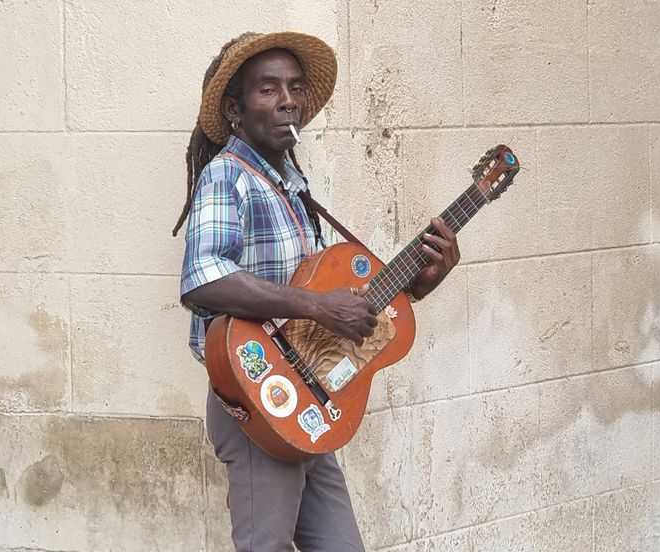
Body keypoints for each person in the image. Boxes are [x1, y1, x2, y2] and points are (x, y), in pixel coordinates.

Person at [173, 32, 460, 552]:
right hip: (257, 401)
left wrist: (416, 286)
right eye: (268, 89)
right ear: (235, 110)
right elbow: (204, 277)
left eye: (296, 88)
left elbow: (330, 303)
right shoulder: (227, 177)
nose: (288, 100)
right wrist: (318, 307)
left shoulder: (291, 185)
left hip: (307, 399)